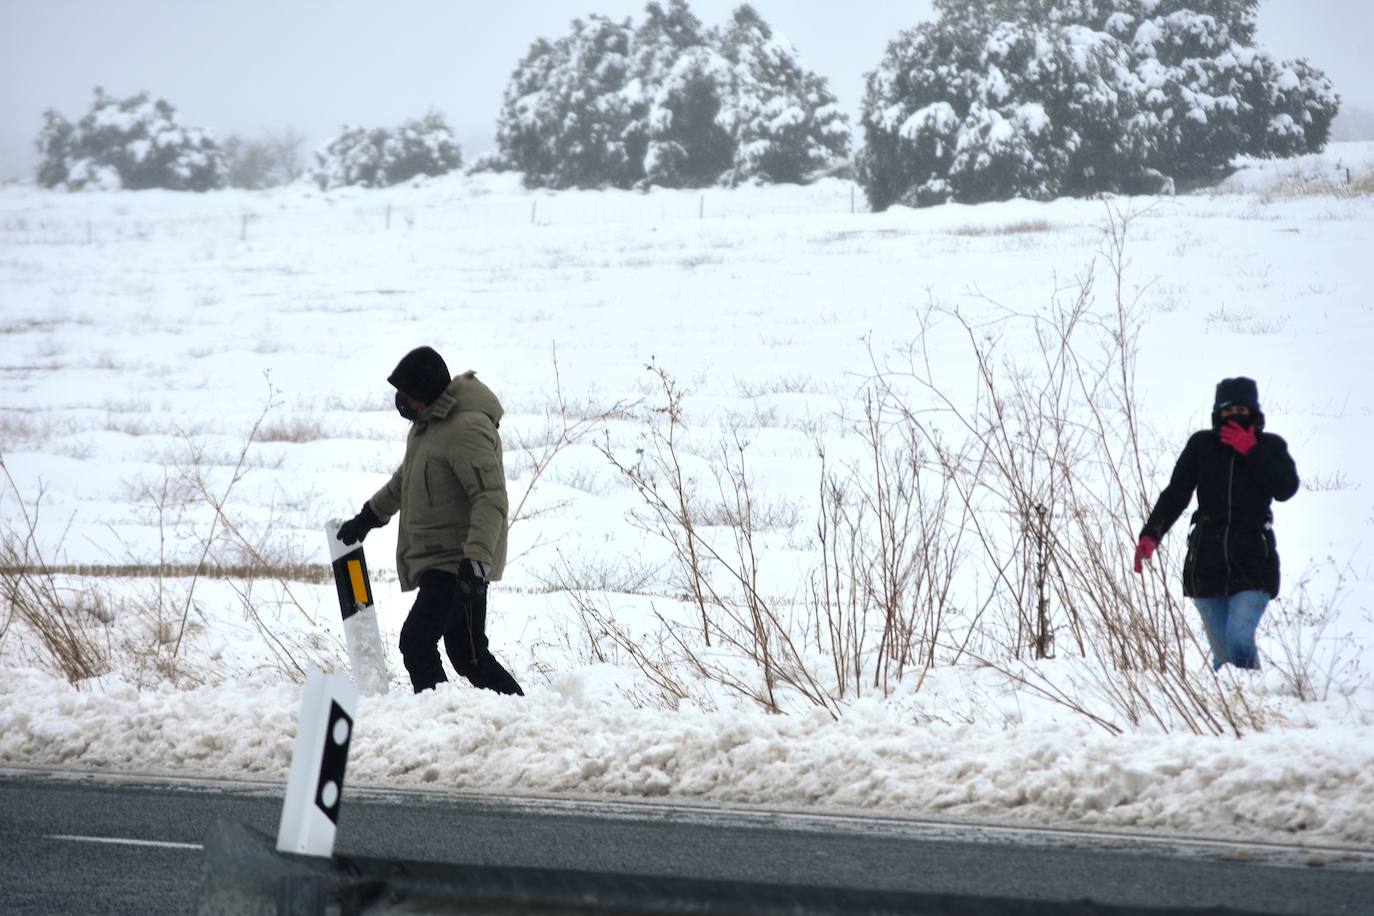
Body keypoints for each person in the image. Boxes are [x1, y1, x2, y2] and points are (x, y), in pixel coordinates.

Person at [336, 345, 524, 696]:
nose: (400, 402)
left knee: (416, 643)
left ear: (423, 393)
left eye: (405, 394)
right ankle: (523, 716)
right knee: (469, 656)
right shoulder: (429, 428)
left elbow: (490, 497)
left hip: (457, 562)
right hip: (443, 559)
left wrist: (477, 559)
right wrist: (368, 517)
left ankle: (438, 719)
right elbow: (403, 481)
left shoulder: (465, 430)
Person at [1133, 377, 1299, 670]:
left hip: (1254, 562)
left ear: (1254, 412)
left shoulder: (1270, 446)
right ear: (1216, 413)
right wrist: (1151, 535)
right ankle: (1234, 710)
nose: (1233, 416)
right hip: (1206, 564)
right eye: (1226, 410)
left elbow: (1285, 488)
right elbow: (1176, 494)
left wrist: (1252, 451)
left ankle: (1252, 697)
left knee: (1238, 640)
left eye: (1241, 409)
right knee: (1222, 654)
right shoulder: (1202, 445)